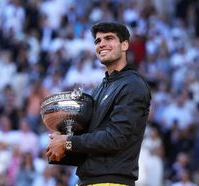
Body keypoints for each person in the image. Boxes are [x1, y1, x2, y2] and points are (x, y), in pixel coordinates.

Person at [45, 22, 151, 186]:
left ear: (124, 45)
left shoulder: (132, 84)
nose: (102, 44)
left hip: (111, 181)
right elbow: (90, 142)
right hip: (87, 180)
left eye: (109, 38)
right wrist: (60, 145)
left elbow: (115, 138)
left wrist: (68, 142)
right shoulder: (100, 87)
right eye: (98, 41)